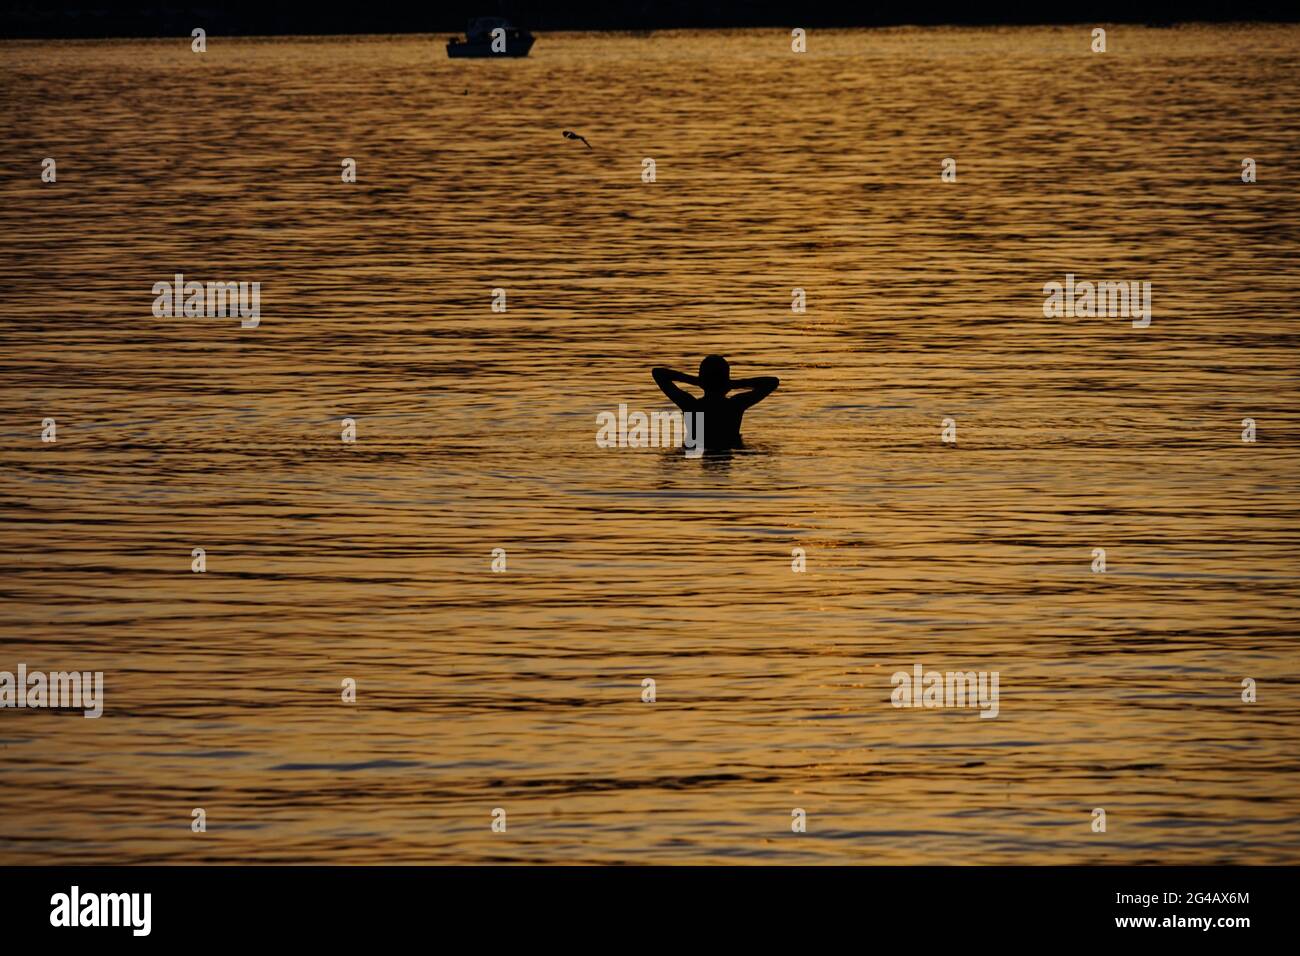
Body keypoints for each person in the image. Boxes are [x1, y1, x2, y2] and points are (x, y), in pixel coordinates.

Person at [651, 355, 778, 450]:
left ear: (702, 380)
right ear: (726, 379)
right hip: (730, 448)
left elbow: (659, 374)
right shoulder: (735, 405)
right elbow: (771, 382)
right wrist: (735, 384)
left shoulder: (691, 405)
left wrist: (695, 381)